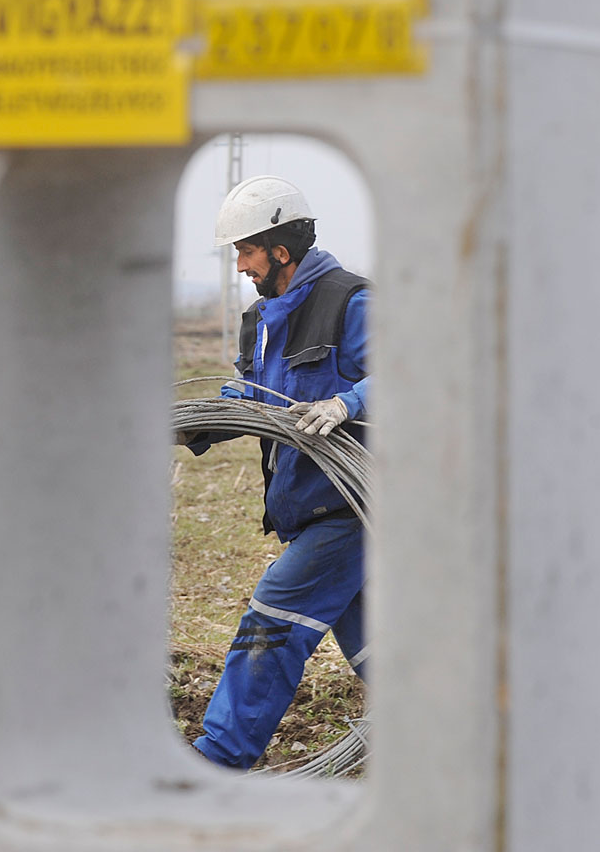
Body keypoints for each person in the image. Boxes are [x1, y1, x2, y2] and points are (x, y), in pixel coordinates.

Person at [176, 175, 370, 770]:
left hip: (351, 507)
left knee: (273, 621)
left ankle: (217, 762)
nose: (239, 265)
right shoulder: (258, 317)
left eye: (246, 251)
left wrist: (346, 404)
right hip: (302, 509)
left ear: (281, 250)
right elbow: (256, 398)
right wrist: (198, 424)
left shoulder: (350, 302)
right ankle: (453, 740)